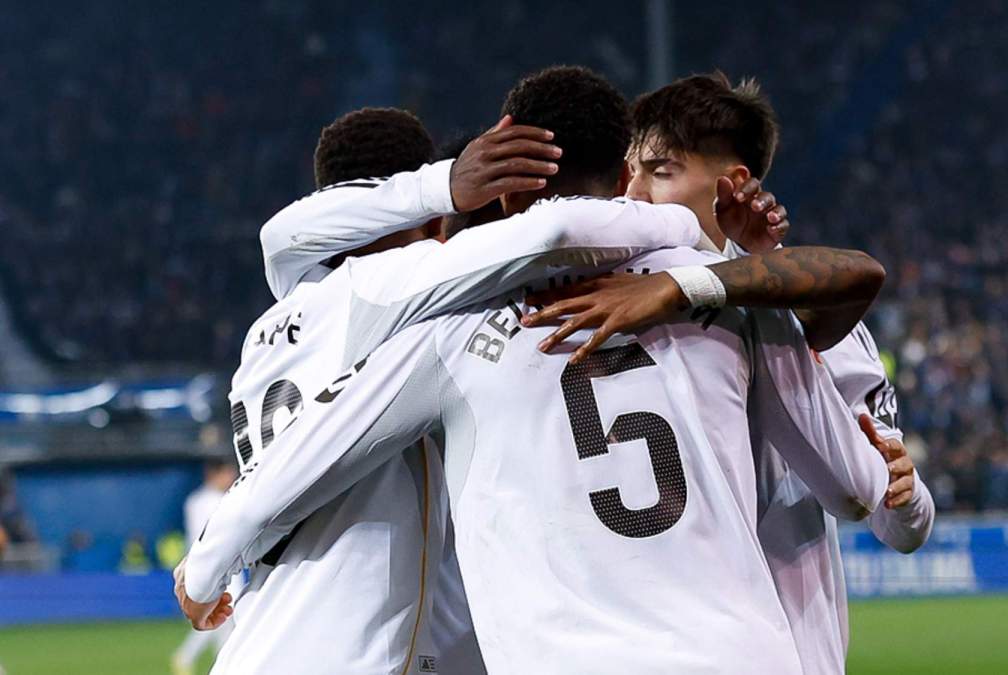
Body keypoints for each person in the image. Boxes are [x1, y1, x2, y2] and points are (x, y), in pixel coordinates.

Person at [181, 65, 889, 674]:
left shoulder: (446, 332)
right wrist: (694, 248)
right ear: (623, 178)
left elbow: (297, 462)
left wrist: (206, 563)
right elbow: (861, 488)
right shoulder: (734, 290)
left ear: (505, 195)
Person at [175, 100, 708, 674]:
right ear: (430, 221)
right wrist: (691, 230)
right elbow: (552, 233)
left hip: (263, 640)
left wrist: (205, 566)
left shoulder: (270, 326)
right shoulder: (392, 291)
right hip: (346, 655)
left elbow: (279, 237)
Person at [556, 70, 936, 673]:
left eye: (660, 172)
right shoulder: (599, 300)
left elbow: (890, 510)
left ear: (731, 184)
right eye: (629, 172)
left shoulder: (814, 314)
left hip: (784, 645)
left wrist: (905, 494)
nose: (633, 196)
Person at [171, 459, 238, 675]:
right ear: (215, 474)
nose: (231, 477)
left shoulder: (194, 500)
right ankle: (188, 656)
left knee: (220, 619)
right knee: (222, 615)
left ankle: (219, 665)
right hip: (222, 564)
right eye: (228, 472)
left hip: (198, 562)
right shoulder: (223, 500)